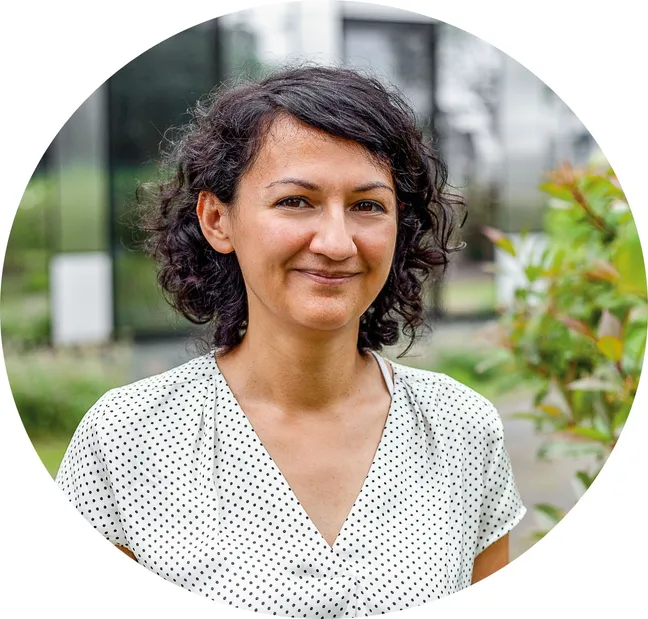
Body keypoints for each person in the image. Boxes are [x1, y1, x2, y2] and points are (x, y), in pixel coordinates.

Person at [56, 65, 526, 617]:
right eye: (296, 201)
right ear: (217, 220)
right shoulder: (126, 438)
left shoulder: (462, 430)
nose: (336, 243)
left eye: (368, 205)